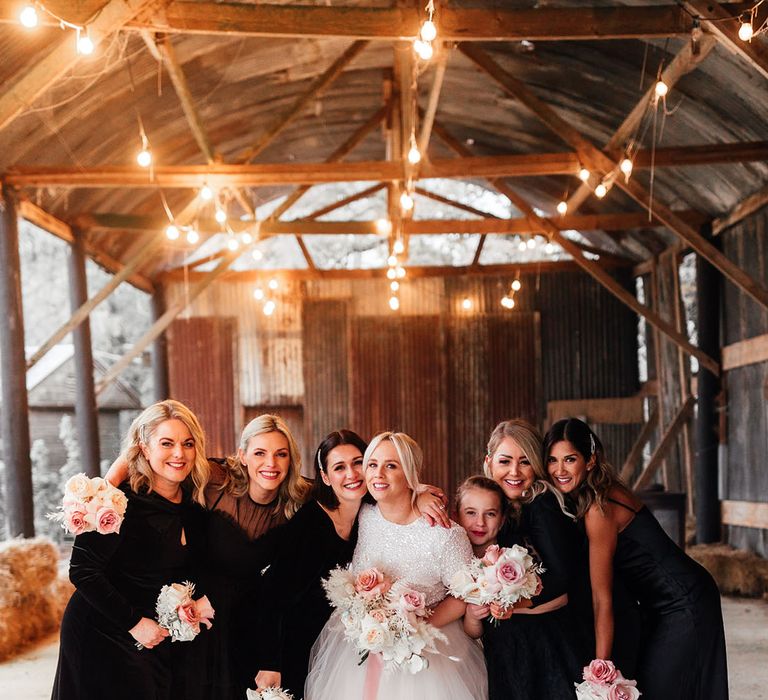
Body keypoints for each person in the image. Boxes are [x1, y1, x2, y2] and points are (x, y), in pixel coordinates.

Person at [106, 413, 312, 700]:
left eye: (281, 454)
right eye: (260, 453)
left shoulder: (299, 499)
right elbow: (151, 454)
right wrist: (105, 488)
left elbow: (342, 486)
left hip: (244, 616)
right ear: (241, 455)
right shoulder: (216, 478)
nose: (271, 464)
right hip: (198, 610)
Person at [253, 430, 451, 699]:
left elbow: (397, 488)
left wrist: (421, 494)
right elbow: (271, 596)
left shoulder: (369, 509)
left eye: (358, 462)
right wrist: (270, 663)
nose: (352, 474)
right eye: (339, 467)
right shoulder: (309, 525)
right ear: (325, 477)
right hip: (288, 642)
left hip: (340, 642)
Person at [544, 417, 729, 699]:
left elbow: (601, 598)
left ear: (590, 460)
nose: (560, 470)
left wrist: (600, 671)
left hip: (684, 601)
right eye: (552, 460)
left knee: (660, 688)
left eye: (570, 459)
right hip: (660, 603)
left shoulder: (599, 508)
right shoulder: (593, 492)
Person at [304, 431, 488, 700]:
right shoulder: (363, 514)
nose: (378, 474)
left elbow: (465, 593)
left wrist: (412, 628)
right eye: (373, 465)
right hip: (357, 649)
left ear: (410, 472)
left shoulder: (444, 533)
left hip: (425, 657)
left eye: (391, 465)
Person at [52, 400, 210, 700]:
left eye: (188, 444)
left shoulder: (196, 504)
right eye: (166, 443)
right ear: (144, 449)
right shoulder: (115, 503)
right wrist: (134, 623)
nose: (179, 453)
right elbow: (82, 571)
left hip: (152, 635)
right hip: (102, 629)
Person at [479, 419, 588, 700]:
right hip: (510, 640)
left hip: (542, 640)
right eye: (505, 461)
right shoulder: (488, 503)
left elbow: (562, 579)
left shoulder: (541, 505)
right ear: (489, 462)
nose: (514, 472)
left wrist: (511, 604)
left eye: (525, 462)